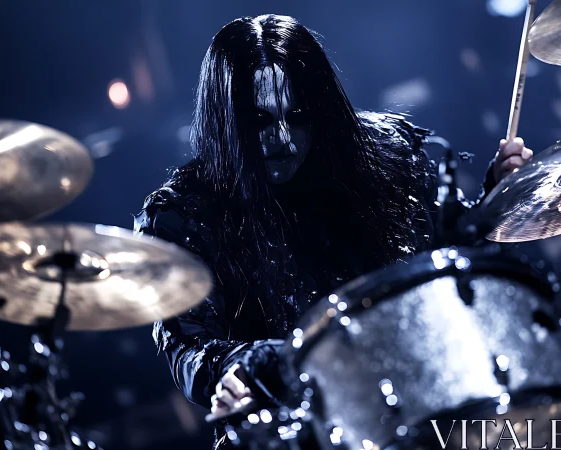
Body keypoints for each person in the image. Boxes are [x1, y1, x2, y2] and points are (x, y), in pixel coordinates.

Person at [133, 14, 533, 449]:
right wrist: (251, 365)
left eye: (299, 116)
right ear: (227, 122)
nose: (283, 139)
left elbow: (438, 267)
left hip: (417, 409)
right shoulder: (179, 217)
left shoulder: (388, 156)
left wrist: (496, 202)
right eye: (260, 122)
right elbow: (188, 351)